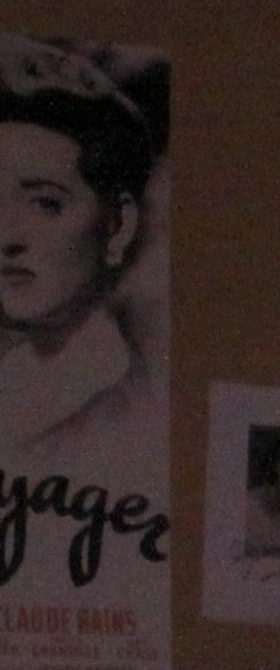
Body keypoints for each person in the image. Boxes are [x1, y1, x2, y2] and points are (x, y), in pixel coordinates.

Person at [0, 40, 159, 464]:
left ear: (119, 226)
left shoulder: (128, 405)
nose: (7, 236)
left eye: (46, 203)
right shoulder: (17, 379)